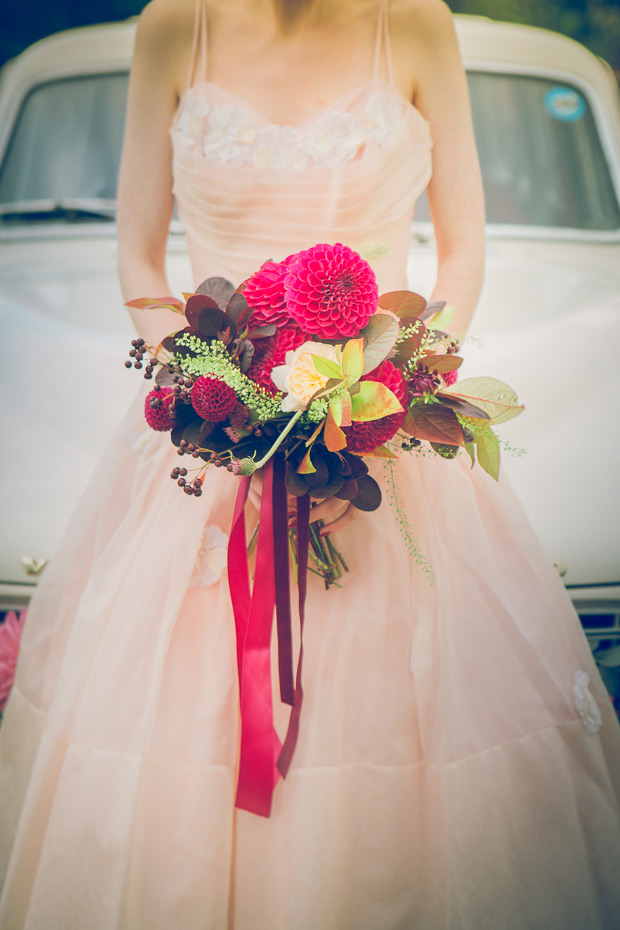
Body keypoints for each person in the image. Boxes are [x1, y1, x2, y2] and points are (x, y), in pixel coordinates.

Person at [1, 0, 619, 927]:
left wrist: (382, 396)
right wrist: (231, 405)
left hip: (378, 420)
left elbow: (461, 255)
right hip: (209, 432)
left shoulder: (414, 23)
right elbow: (137, 255)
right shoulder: (176, 24)